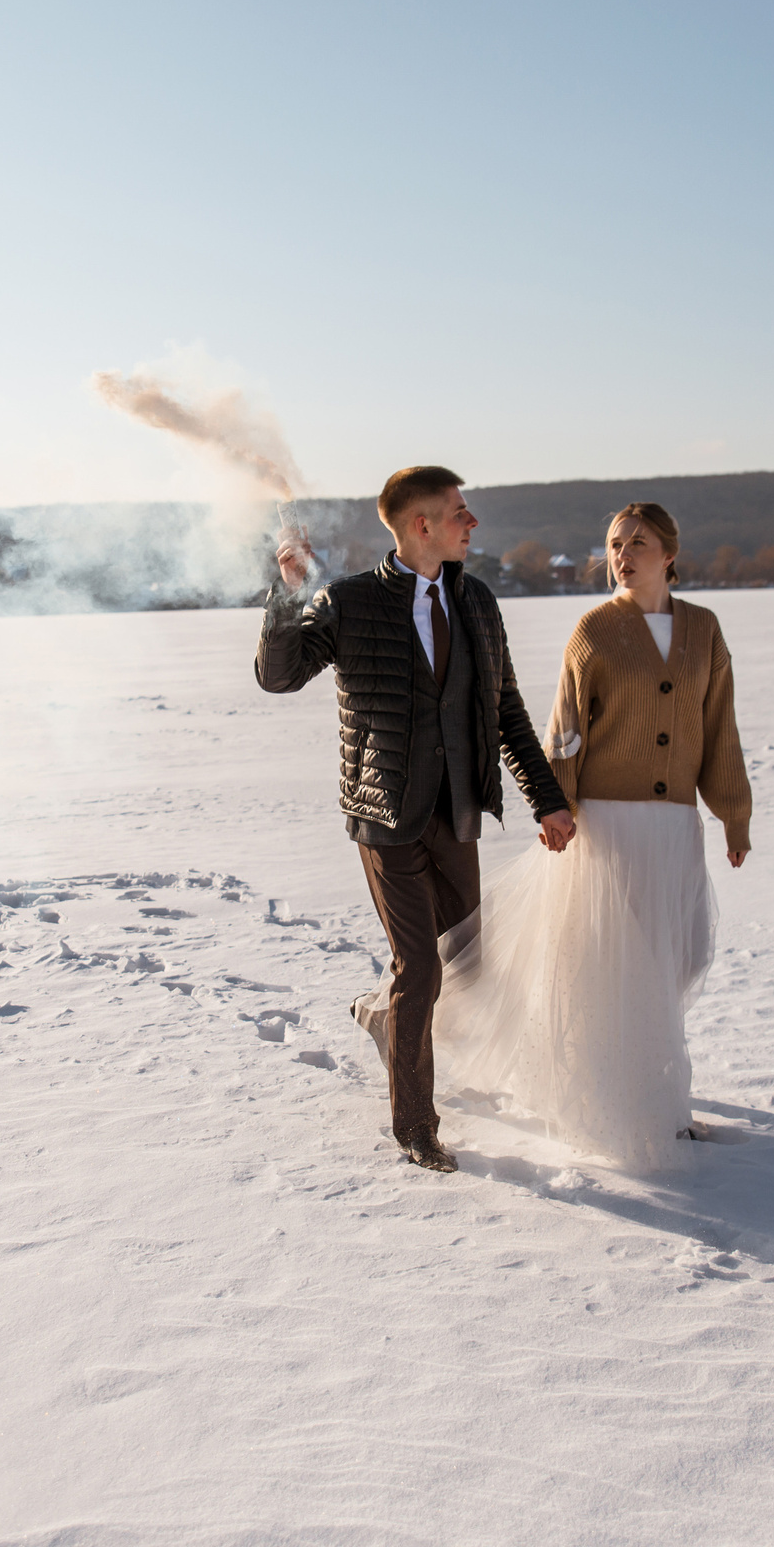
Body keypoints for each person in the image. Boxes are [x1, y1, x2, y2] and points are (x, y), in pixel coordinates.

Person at [256, 466, 578, 1173]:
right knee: (422, 965)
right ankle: (415, 1126)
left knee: (466, 964)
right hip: (385, 814)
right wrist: (286, 593)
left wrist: (546, 798)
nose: (473, 524)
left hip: (457, 810)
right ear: (418, 526)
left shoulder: (480, 602)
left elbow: (506, 712)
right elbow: (278, 676)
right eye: (459, 512)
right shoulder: (351, 601)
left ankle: (380, 1016)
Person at [433, 501, 752, 1171]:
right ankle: (633, 1106)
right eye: (614, 544)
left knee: (677, 958)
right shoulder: (596, 630)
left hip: (674, 828)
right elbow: (565, 727)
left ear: (669, 552)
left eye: (638, 542)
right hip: (607, 826)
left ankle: (651, 1091)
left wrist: (733, 812)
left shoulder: (704, 628)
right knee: (615, 972)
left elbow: (719, 725)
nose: (623, 554)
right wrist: (558, 803)